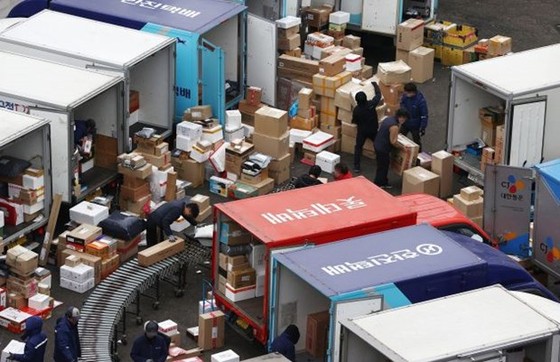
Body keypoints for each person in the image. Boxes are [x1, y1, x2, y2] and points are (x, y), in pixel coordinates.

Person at [374, 109, 409, 188]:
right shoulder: (394, 127)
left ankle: (379, 181)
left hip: (378, 143)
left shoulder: (389, 119)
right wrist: (403, 147)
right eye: (404, 119)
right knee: (384, 166)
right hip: (383, 148)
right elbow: (393, 142)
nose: (404, 121)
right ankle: (381, 183)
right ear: (401, 117)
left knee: (380, 165)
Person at [352, 81, 382, 173]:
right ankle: (380, 161)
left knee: (358, 147)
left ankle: (357, 166)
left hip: (362, 131)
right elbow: (378, 95)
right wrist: (375, 85)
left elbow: (354, 121)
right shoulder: (371, 104)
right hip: (373, 130)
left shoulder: (357, 110)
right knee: (378, 145)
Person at [399, 82, 428, 150]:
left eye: (407, 93)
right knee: (400, 137)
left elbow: (424, 115)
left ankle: (419, 155)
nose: (406, 94)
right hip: (406, 122)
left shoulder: (421, 101)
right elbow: (402, 103)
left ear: (412, 92)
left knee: (416, 141)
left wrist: (423, 127)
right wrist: (403, 111)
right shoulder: (405, 95)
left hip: (415, 125)